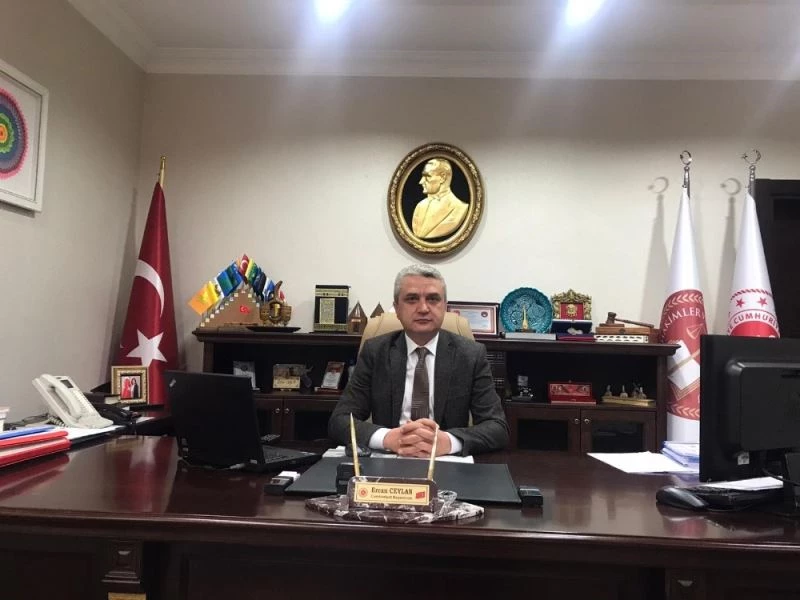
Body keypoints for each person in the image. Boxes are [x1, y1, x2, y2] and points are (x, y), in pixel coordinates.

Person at [328, 264, 509, 457]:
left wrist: (449, 442)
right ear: (397, 308)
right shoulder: (376, 351)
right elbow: (339, 421)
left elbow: (497, 428)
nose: (423, 308)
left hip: (445, 461)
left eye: (433, 299)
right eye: (412, 299)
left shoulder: (471, 355)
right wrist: (388, 438)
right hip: (390, 458)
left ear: (444, 306)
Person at [411, 159, 469, 239]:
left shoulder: (460, 208)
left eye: (427, 176)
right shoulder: (420, 206)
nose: (421, 181)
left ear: (442, 178)